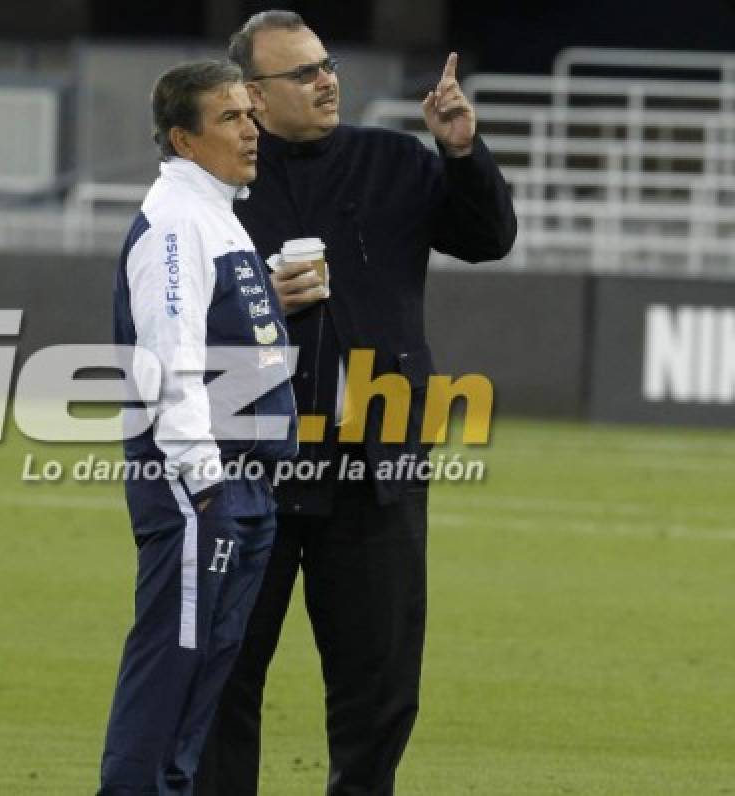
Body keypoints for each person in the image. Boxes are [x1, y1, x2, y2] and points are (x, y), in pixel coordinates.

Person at [197, 11, 517, 796]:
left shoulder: (395, 161)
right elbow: (167, 314)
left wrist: (461, 149)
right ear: (254, 98)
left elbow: (488, 237)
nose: (326, 79)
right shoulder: (213, 187)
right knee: (222, 678)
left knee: (379, 690)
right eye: (301, 73)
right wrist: (252, 304)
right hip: (249, 467)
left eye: (326, 64)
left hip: (376, 469)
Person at [98, 60, 298, 795]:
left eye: (250, 113)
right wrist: (207, 481)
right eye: (230, 118)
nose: (251, 129)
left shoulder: (218, 215)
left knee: (204, 679)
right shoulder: (178, 221)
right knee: (170, 671)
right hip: (199, 488)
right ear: (184, 138)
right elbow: (167, 356)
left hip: (242, 487)